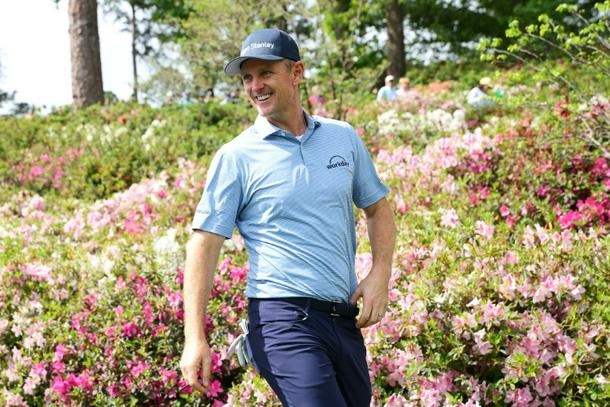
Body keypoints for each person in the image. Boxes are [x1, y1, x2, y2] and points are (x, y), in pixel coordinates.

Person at [180, 28, 396, 407]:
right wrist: (194, 336)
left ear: (296, 72)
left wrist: (380, 272)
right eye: (247, 77)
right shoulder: (236, 156)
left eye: (265, 73)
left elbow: (377, 208)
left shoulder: (342, 137)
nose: (255, 86)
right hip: (281, 320)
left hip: (343, 319)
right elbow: (204, 243)